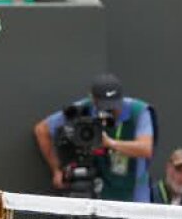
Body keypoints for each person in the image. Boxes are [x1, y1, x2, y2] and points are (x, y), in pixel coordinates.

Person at [34, 73, 156, 203]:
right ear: (93, 99)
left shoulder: (139, 111)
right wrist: (56, 170)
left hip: (133, 190)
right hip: (97, 184)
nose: (110, 110)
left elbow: (146, 148)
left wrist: (110, 143)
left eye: (114, 105)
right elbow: (42, 130)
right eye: (104, 105)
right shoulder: (83, 108)